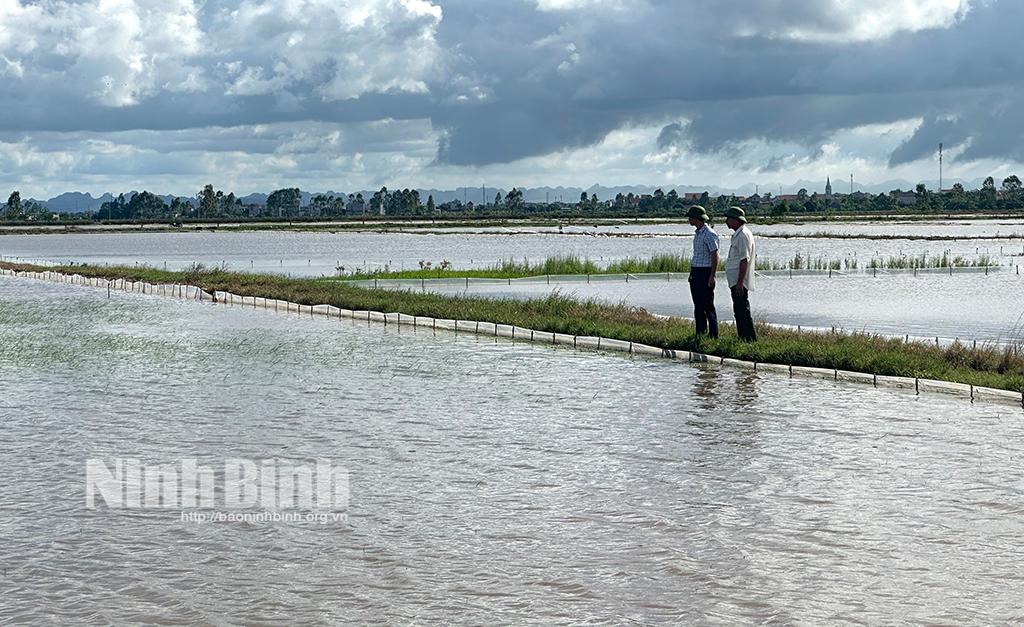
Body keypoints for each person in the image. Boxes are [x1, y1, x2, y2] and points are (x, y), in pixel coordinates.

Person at [724, 206, 757, 342]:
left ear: (736, 220)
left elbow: (744, 260)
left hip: (739, 281)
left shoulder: (742, 235)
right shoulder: (739, 233)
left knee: (742, 310)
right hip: (736, 280)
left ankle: (748, 338)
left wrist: (739, 282)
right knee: (739, 310)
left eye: (729, 219)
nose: (726, 221)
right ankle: (743, 337)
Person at [686, 205, 719, 338]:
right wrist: (691, 273)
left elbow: (714, 255)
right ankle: (700, 332)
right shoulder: (698, 234)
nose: (689, 220)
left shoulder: (709, 234)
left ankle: (713, 334)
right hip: (696, 271)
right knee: (698, 304)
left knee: (708, 305)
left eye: (690, 217)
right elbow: (697, 255)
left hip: (705, 272)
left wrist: (712, 276)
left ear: (697, 218)